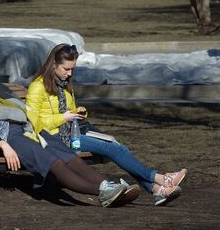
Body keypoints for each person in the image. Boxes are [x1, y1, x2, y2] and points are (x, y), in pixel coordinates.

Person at [0, 60, 137, 208]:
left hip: (32, 130)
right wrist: (5, 146)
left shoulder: (0, 90)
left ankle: (110, 187)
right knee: (53, 163)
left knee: (70, 157)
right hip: (11, 137)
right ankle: (102, 191)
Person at [26, 43, 187, 206]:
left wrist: (78, 112)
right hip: (53, 138)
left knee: (117, 145)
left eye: (72, 69)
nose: (69, 74)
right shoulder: (37, 87)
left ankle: (156, 189)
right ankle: (160, 179)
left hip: (71, 131)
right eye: (66, 69)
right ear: (53, 65)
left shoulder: (64, 85)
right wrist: (63, 118)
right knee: (112, 148)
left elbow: (69, 110)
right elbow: (33, 122)